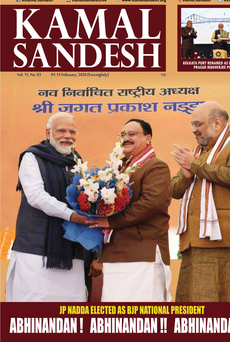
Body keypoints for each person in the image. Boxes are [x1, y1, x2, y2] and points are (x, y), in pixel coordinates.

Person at [5, 113, 101, 302]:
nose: (68, 135)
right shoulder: (32, 157)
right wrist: (70, 215)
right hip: (36, 249)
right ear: (48, 133)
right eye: (61, 130)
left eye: (72, 131)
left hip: (72, 252)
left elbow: (87, 206)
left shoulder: (78, 165)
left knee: (69, 312)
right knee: (34, 311)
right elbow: (35, 196)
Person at [170, 101, 230, 302]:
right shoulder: (196, 154)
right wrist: (186, 174)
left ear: (217, 123)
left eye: (198, 124)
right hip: (196, 242)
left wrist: (195, 166)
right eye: (192, 125)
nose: (194, 130)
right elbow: (174, 191)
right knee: (196, 301)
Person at [88, 119, 172, 302]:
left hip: (142, 254)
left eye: (132, 134)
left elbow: (151, 204)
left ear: (148, 138)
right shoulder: (118, 170)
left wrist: (111, 221)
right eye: (123, 135)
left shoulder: (156, 166)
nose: (126, 138)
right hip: (115, 255)